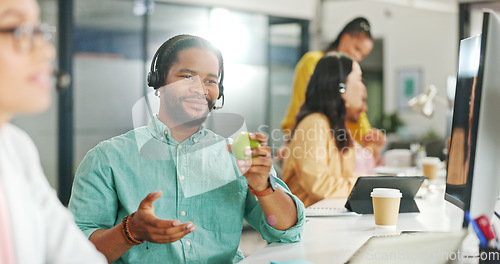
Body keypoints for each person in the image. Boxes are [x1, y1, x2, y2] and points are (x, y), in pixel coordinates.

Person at [68, 34, 305, 264]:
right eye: (187, 77)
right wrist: (131, 231)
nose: (200, 89)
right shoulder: (107, 158)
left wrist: (263, 187)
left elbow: (286, 231)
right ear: (159, 81)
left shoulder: (236, 156)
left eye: (210, 80)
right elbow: (77, 255)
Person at [0, 0, 107, 263]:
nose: (47, 51)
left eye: (38, 30)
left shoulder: (16, 148)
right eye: (17, 29)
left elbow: (74, 255)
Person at [277, 17, 385, 163]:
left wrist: (368, 136)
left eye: (363, 55)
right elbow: (301, 104)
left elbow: (356, 110)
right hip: (312, 142)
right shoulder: (314, 61)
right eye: (357, 49)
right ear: (344, 38)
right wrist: (291, 141)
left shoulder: (351, 71)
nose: (357, 57)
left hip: (338, 147)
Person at [281, 52, 375, 208]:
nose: (363, 88)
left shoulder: (336, 126)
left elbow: (344, 178)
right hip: (309, 223)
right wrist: (367, 186)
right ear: (341, 86)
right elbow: (320, 186)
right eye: (359, 79)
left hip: (328, 218)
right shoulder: (314, 124)